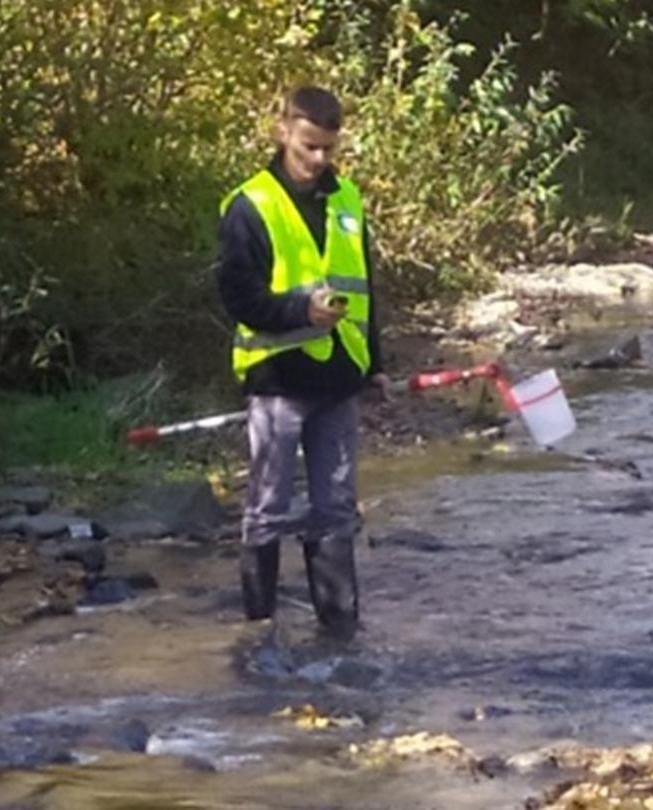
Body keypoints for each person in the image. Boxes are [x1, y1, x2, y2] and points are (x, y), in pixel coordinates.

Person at [216, 86, 387, 641]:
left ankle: (340, 631)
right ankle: (259, 631)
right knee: (268, 507)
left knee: (336, 508)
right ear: (283, 130)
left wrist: (374, 363)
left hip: (339, 378)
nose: (318, 160)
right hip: (278, 381)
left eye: (328, 149)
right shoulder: (250, 205)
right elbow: (239, 297)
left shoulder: (348, 200)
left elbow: (364, 288)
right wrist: (299, 311)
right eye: (310, 146)